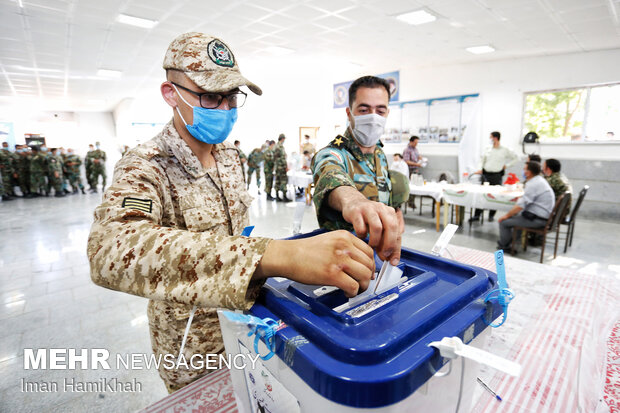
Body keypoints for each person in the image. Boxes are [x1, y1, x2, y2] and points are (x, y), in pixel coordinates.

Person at [87, 32, 374, 393]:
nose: (224, 109)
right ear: (170, 93)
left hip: (245, 325)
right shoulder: (145, 165)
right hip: (191, 346)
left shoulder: (228, 157)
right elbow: (110, 250)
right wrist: (273, 254)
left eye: (231, 98)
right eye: (210, 96)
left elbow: (237, 235)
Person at [311, 75, 410, 267]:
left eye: (380, 110)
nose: (373, 117)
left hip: (381, 258)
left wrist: (395, 213)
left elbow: (384, 192)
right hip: (344, 262)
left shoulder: (379, 153)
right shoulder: (332, 153)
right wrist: (354, 201)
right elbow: (330, 175)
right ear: (349, 113)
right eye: (364, 110)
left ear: (387, 113)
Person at [497, 161, 555, 252]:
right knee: (516, 216)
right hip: (542, 216)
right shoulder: (539, 180)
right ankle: (512, 242)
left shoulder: (533, 184)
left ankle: (504, 247)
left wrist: (506, 216)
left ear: (528, 172)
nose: (523, 171)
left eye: (524, 169)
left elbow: (520, 206)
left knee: (504, 222)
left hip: (538, 219)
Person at [470, 131, 519, 222]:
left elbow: (516, 158)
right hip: (486, 175)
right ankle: (477, 215)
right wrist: (480, 168)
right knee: (482, 194)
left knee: (495, 195)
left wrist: (507, 165)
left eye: (491, 137)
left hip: (497, 175)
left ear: (495, 138)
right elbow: (482, 160)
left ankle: (491, 215)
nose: (490, 139)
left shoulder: (505, 149)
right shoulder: (487, 148)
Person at [274, 133, 290, 202]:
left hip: (277, 166)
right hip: (281, 167)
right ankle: (284, 197)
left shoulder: (275, 146)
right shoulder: (280, 147)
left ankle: (277, 196)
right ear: (282, 139)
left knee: (277, 181)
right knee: (283, 181)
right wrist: (286, 166)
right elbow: (283, 158)